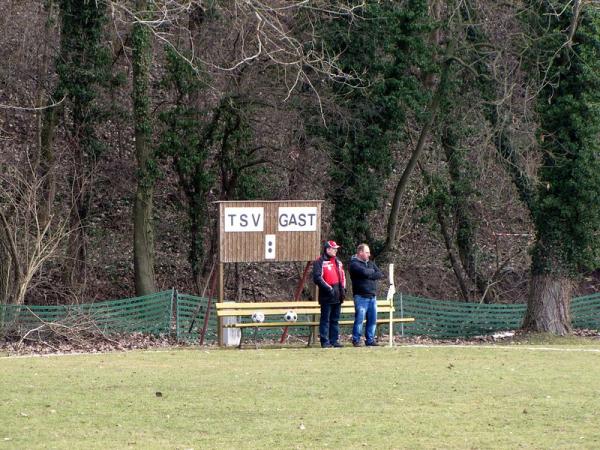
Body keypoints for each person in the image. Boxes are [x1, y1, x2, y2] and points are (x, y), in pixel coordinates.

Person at [348, 243, 385, 347]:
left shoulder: (371, 263)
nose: (369, 254)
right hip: (360, 296)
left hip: (372, 296)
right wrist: (370, 273)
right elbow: (364, 272)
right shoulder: (354, 264)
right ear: (360, 252)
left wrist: (369, 274)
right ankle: (356, 340)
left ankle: (370, 340)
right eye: (367, 252)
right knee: (359, 320)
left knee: (372, 320)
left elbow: (380, 274)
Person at [312, 240, 346, 348]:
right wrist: (329, 289)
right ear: (327, 249)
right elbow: (317, 278)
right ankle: (325, 341)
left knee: (335, 320)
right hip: (326, 296)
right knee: (325, 319)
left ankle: (334, 340)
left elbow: (343, 276)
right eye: (333, 248)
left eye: (336, 248)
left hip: (338, 295)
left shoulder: (338, 262)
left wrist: (343, 289)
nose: (335, 250)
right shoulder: (319, 261)